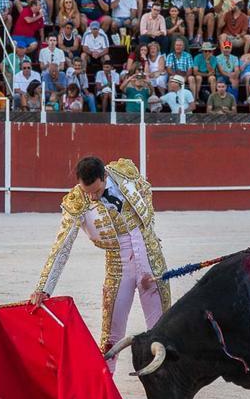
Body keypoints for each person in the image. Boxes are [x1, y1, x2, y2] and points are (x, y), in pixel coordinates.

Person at [30, 156, 171, 371]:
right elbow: (62, 246)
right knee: (111, 334)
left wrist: (148, 230)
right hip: (118, 262)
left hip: (150, 254)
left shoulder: (125, 171)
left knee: (163, 327)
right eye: (88, 192)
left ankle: (167, 377)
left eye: (96, 190)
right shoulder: (77, 201)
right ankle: (105, 385)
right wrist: (43, 288)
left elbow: (145, 191)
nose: (93, 197)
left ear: (104, 176)